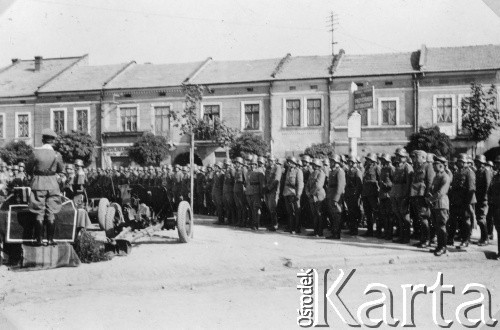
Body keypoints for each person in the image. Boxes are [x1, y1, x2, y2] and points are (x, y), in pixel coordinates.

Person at [26, 128, 65, 246]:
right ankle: (50, 240)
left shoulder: (35, 152)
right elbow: (60, 169)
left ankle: (39, 240)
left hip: (38, 183)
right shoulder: (57, 155)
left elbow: (28, 168)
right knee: (51, 211)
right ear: (52, 141)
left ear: (42, 140)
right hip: (53, 184)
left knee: (39, 211)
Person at [448, 153, 476, 249]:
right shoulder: (457, 172)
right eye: (459, 161)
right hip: (456, 201)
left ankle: (465, 240)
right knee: (453, 221)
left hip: (465, 201)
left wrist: (467, 203)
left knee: (465, 222)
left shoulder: (469, 172)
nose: (460, 163)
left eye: (462, 162)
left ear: (466, 163)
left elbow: (471, 189)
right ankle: (450, 239)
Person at [410, 150, 435, 248]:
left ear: (423, 157)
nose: (415, 159)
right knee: (420, 218)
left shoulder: (428, 166)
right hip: (416, 195)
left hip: (423, 196)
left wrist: (427, 196)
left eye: (417, 157)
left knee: (424, 218)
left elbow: (430, 182)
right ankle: (423, 238)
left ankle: (427, 239)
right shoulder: (417, 167)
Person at [427, 155, 451, 256]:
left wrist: (430, 199)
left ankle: (443, 247)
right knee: (437, 226)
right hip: (436, 204)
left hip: (441, 204)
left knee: (441, 226)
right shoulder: (437, 176)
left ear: (441, 165)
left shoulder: (445, 176)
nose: (433, 166)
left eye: (435, 164)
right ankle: (439, 246)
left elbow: (441, 192)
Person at [391, 148, 413, 244]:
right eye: (397, 156)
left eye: (400, 156)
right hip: (395, 193)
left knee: (405, 217)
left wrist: (406, 196)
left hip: (403, 194)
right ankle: (401, 236)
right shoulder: (397, 167)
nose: (398, 158)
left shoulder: (407, 167)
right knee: (399, 216)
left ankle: (406, 237)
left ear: (405, 157)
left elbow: (408, 183)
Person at [325, 155, 345, 239]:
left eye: (332, 161)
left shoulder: (340, 171)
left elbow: (340, 187)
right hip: (330, 195)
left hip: (336, 197)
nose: (330, 163)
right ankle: (334, 233)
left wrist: (336, 199)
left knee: (337, 216)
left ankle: (336, 234)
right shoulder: (332, 171)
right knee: (333, 216)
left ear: (336, 162)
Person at [306, 159, 326, 237]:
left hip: (318, 196)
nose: (313, 166)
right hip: (312, 196)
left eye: (314, 165)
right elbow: (307, 184)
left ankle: (320, 231)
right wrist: (307, 192)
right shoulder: (312, 173)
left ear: (318, 166)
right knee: (314, 214)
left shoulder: (321, 173)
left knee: (319, 214)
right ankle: (315, 231)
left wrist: (311, 193)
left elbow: (318, 185)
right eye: (312, 164)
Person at [474, 155, 492, 246]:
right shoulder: (478, 172)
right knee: (479, 218)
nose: (476, 163)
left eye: (478, 162)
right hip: (478, 198)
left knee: (481, 218)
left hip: (483, 199)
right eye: (476, 162)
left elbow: (487, 186)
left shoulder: (486, 171)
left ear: (482, 163)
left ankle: (485, 238)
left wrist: (485, 198)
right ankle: (482, 237)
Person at [283, 157, 304, 234]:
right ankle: (291, 227)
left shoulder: (298, 171)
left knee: (296, 212)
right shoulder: (288, 170)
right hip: (287, 193)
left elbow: (300, 184)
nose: (289, 163)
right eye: (288, 162)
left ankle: (297, 228)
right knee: (290, 212)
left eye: (290, 162)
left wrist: (298, 194)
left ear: (294, 163)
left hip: (294, 193)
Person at [361, 153, 380, 237]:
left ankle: (378, 231)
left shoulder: (377, 168)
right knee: (368, 213)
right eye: (367, 159)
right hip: (365, 193)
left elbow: (379, 180)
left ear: (373, 160)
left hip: (373, 193)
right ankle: (369, 230)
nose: (367, 161)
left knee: (376, 212)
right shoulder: (366, 168)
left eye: (369, 159)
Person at [245, 156, 265, 230]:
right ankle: (253, 223)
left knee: (256, 209)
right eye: (251, 164)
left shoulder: (259, 171)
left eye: (254, 164)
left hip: (256, 192)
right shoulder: (249, 172)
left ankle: (256, 224)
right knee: (252, 209)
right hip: (250, 192)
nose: (252, 165)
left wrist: (262, 194)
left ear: (256, 165)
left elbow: (262, 184)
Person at [378, 153, 395, 240]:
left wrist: (385, 184)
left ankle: (390, 233)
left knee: (389, 215)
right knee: (384, 215)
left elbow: (394, 182)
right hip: (382, 195)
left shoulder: (391, 168)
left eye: (384, 160)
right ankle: (386, 232)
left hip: (389, 195)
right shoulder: (383, 169)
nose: (382, 161)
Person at [264, 156, 282, 231]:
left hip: (274, 190)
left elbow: (276, 179)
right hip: (268, 190)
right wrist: (265, 187)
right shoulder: (268, 168)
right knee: (269, 207)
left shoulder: (277, 168)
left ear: (274, 161)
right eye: (269, 160)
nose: (270, 162)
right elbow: (265, 179)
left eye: (271, 160)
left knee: (273, 208)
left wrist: (269, 188)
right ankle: (272, 223)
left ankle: (275, 225)